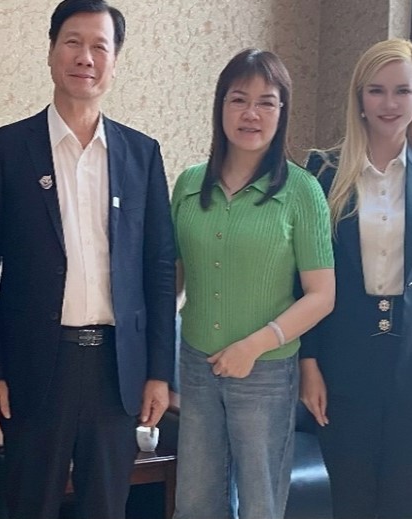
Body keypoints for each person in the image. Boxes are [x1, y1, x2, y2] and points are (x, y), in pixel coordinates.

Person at [0, 0, 176, 519]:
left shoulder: (141, 154)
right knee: (28, 505)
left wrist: (159, 371)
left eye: (99, 47)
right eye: (73, 43)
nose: (86, 57)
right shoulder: (5, 149)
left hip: (117, 370)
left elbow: (158, 268)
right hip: (35, 367)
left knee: (105, 508)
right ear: (50, 52)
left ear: (115, 60)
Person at [300, 38, 412, 519]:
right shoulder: (323, 171)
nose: (389, 103)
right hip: (343, 362)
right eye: (376, 90)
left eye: (402, 91)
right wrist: (308, 363)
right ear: (359, 98)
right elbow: (304, 277)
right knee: (351, 499)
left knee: (408, 502)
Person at [171, 49, 335, 519]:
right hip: (197, 366)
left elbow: (322, 295)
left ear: (282, 112)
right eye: (239, 99)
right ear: (220, 105)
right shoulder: (188, 184)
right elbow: (174, 280)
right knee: (195, 504)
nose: (251, 114)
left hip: (265, 372)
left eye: (267, 102)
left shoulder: (302, 191)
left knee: (261, 505)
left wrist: (254, 345)